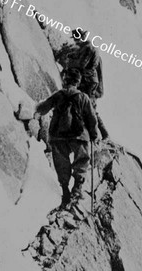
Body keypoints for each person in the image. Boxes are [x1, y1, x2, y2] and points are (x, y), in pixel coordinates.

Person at [35, 68, 99, 208]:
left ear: (65, 80)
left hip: (58, 135)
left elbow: (42, 108)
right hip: (79, 135)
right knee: (82, 159)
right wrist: (94, 135)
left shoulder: (58, 95)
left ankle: (65, 190)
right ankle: (77, 187)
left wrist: (35, 111)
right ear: (78, 82)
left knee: (61, 162)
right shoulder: (83, 97)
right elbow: (92, 120)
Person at [57, 29, 109, 140]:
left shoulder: (88, 48)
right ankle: (100, 133)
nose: (76, 42)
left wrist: (70, 59)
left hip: (88, 81)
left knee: (89, 107)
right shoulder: (88, 47)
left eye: (76, 39)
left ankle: (103, 134)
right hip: (90, 81)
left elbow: (82, 64)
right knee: (88, 106)